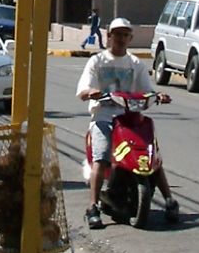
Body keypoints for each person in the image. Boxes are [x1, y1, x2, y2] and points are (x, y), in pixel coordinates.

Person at [76, 17, 179, 229]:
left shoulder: (135, 64)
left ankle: (169, 200)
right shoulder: (97, 61)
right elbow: (84, 89)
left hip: (130, 119)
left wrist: (157, 96)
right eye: (117, 34)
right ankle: (92, 207)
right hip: (104, 117)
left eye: (125, 35)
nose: (121, 39)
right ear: (109, 36)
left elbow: (146, 91)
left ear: (130, 38)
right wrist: (91, 92)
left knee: (151, 155)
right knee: (101, 156)